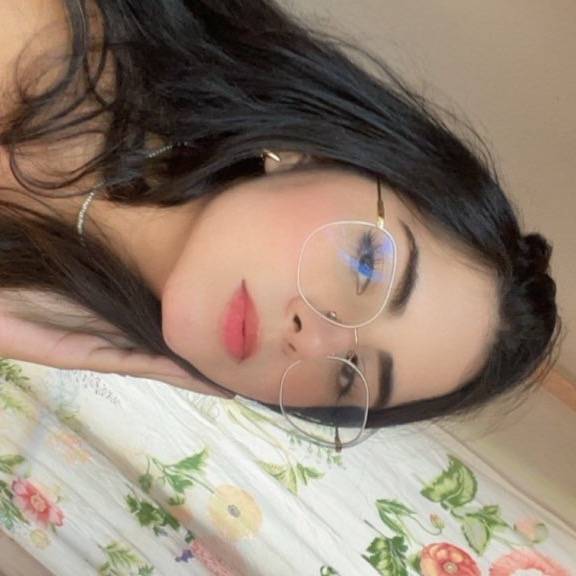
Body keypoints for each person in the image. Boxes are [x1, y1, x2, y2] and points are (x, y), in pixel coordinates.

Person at [0, 0, 561, 450]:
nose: (311, 340)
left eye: (348, 375)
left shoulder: (49, 296)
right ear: (320, 152)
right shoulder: (51, 40)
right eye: (366, 267)